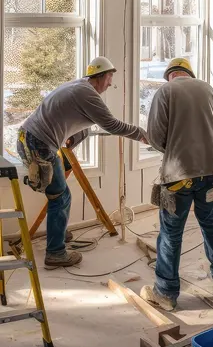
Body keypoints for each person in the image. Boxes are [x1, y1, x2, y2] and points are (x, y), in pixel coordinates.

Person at [17, 57, 148, 268]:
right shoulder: (87, 94)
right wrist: (140, 133)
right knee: (60, 196)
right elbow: (111, 124)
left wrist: (72, 139)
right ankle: (56, 253)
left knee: (58, 194)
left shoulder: (79, 87)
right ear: (102, 76)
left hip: (32, 138)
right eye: (110, 77)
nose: (110, 83)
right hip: (38, 143)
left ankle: (56, 234)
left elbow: (83, 122)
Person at [140, 58, 213, 312]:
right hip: (212, 171)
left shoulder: (166, 91)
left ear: (170, 75)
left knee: (171, 232)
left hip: (179, 175)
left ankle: (166, 292)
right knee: (212, 224)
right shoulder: (209, 90)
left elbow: (156, 138)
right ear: (189, 74)